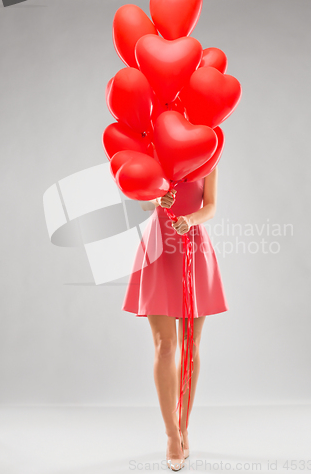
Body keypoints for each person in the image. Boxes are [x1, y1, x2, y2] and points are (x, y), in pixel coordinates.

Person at [122, 166, 229, 471]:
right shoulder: (155, 152)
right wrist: (157, 200)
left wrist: (190, 220)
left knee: (190, 343)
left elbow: (210, 206)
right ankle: (171, 435)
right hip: (158, 248)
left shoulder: (208, 153)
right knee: (165, 345)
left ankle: (183, 427)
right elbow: (140, 199)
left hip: (193, 244)